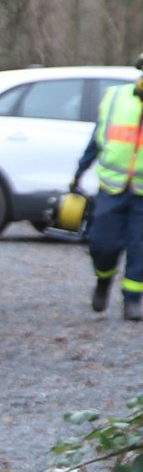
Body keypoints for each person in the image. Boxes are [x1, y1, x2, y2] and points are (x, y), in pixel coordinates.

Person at [75, 57, 143, 319]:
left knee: (140, 248)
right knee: (102, 244)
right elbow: (98, 139)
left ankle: (132, 301)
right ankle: (103, 280)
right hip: (112, 188)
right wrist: (79, 172)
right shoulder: (116, 99)